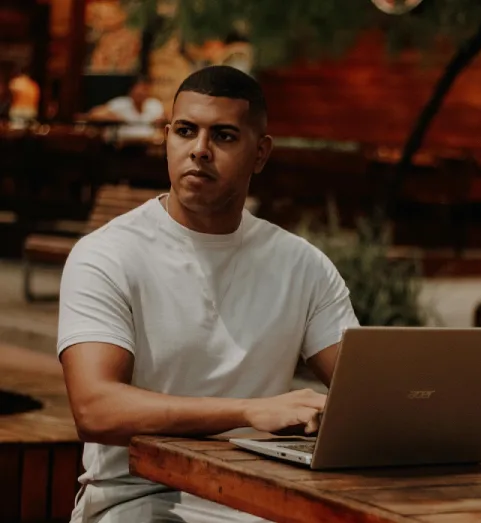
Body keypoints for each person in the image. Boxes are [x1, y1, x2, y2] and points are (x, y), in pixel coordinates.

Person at [58, 65, 359, 523]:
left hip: (265, 500)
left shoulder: (302, 264)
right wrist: (249, 411)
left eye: (223, 136)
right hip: (140, 499)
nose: (198, 151)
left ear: (260, 153)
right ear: (167, 137)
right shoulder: (107, 254)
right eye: (185, 131)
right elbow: (96, 409)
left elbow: (363, 390)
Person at [86, 77, 165, 140]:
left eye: (144, 89)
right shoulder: (121, 103)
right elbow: (93, 114)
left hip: (148, 147)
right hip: (123, 149)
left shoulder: (155, 105)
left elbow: (164, 121)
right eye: (138, 89)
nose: (141, 93)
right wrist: (110, 117)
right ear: (131, 91)